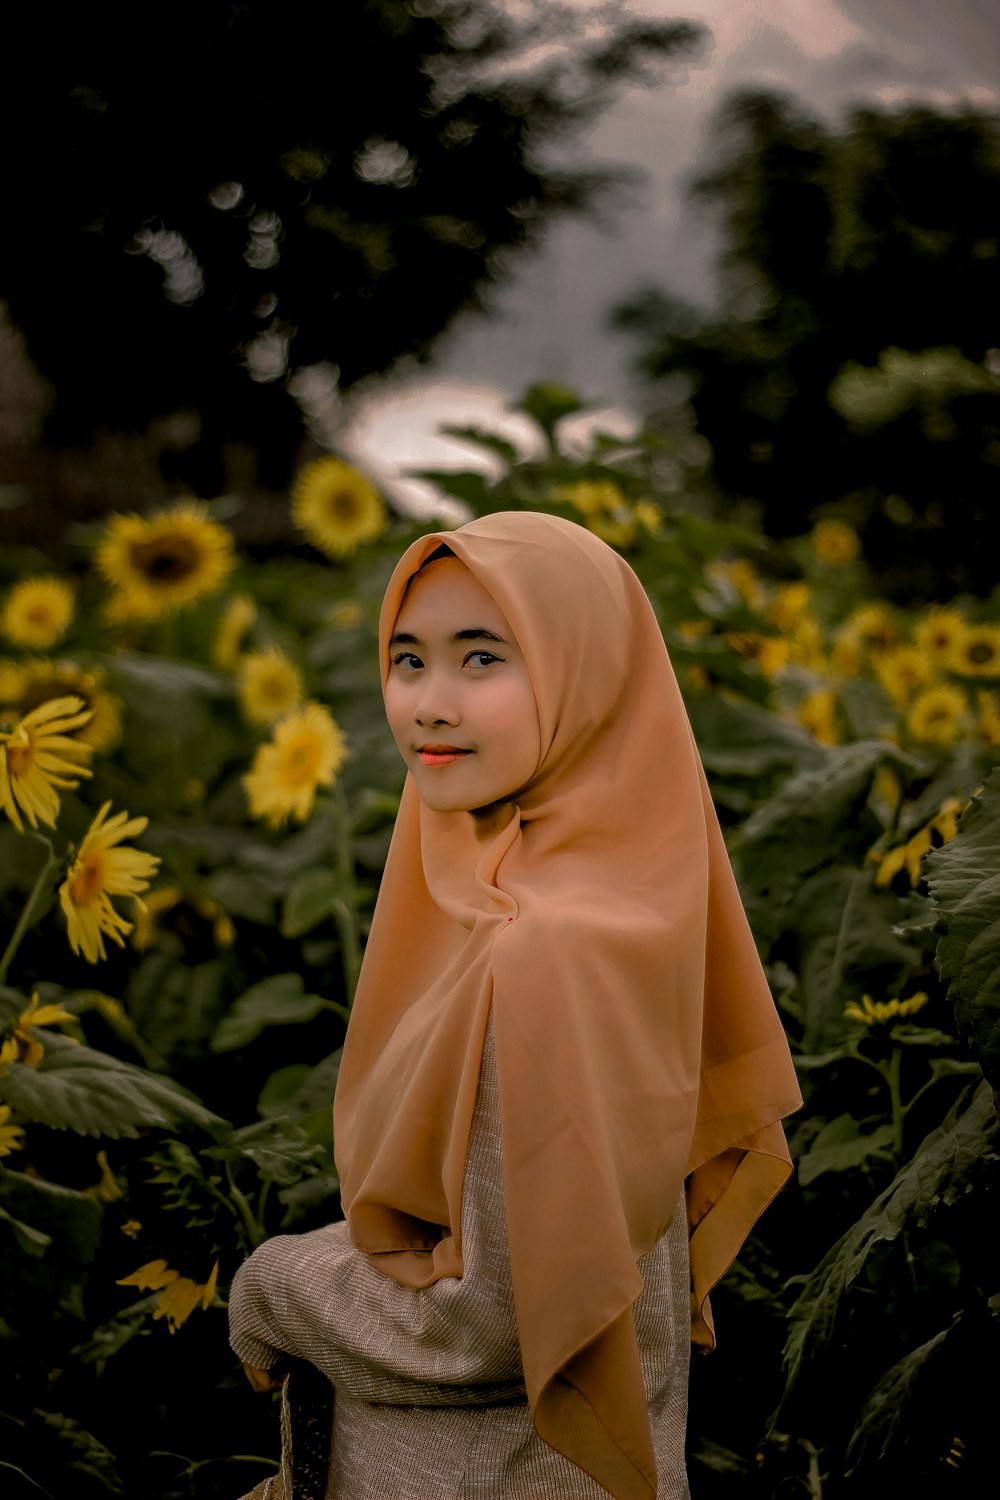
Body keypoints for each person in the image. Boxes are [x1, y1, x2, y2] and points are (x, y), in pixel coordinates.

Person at [228, 510, 802, 1500]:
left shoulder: (538, 954)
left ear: (587, 677)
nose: (428, 704)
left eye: (483, 659)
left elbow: (494, 1322)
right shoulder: (628, 898)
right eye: (407, 660)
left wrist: (273, 1287)